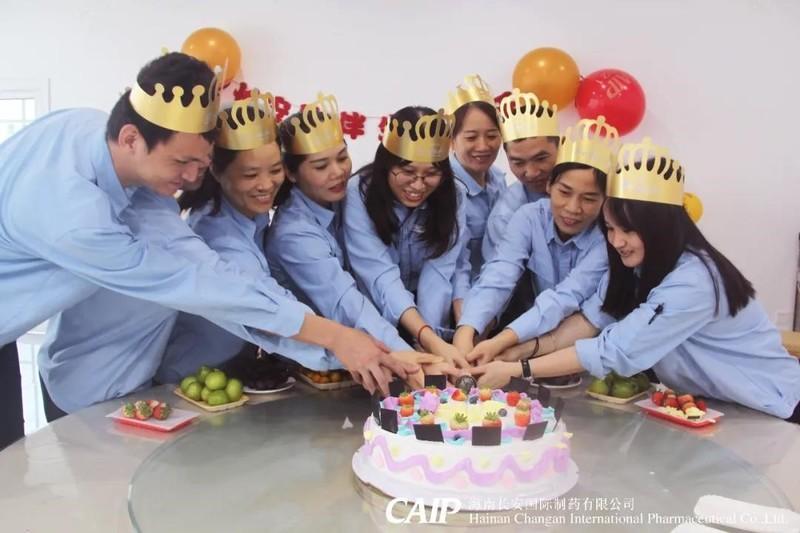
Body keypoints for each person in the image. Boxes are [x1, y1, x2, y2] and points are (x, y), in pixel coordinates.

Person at [0, 54, 412, 430]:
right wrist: (337, 339)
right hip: (84, 382)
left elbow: (207, 268)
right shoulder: (79, 222)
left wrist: (343, 340)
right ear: (130, 138)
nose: (192, 178)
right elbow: (201, 286)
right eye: (182, 162)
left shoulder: (93, 134)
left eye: (201, 162)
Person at [471, 137, 800, 422]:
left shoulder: (694, 280)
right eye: (610, 228)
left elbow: (614, 350)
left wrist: (518, 369)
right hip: (724, 408)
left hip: (777, 407)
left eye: (629, 230)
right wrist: (517, 351)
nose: (617, 241)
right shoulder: (636, 268)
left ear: (661, 228)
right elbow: (589, 321)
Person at [157, 91, 343, 384]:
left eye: (275, 170)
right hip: (190, 378)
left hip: (233, 369)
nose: (266, 184)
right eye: (250, 175)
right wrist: (351, 349)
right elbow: (268, 310)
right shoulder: (215, 234)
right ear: (216, 171)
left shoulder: (254, 216)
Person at [454, 117, 619, 362]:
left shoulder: (608, 238)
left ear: (605, 199)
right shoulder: (528, 216)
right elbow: (499, 274)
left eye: (589, 199)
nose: (573, 208)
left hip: (597, 348)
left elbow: (566, 296)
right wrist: (467, 329)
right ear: (550, 185)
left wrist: (503, 341)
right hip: (533, 336)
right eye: (564, 192)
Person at [265, 94, 413, 354]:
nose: (338, 172)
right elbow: (346, 302)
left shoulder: (350, 197)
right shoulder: (292, 233)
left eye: (342, 157)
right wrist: (406, 354)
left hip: (376, 338)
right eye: (321, 166)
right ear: (290, 173)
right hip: (319, 355)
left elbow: (377, 267)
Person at [344, 106, 470, 369]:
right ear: (386, 165)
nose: (418, 185)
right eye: (408, 172)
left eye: (431, 174)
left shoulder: (454, 195)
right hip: (373, 318)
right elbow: (379, 274)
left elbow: (440, 271)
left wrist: (430, 340)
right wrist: (427, 338)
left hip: (428, 317)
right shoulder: (361, 191)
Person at [444, 75, 506, 310]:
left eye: (492, 136)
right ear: (452, 140)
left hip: (496, 291)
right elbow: (456, 262)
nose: (483, 146)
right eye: (471, 137)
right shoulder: (445, 188)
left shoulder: (499, 179)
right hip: (456, 301)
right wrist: (466, 319)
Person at [482, 89, 560, 263]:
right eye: (518, 163)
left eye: (541, 158)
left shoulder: (595, 187)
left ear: (560, 146)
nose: (531, 172)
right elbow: (502, 271)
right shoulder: (504, 217)